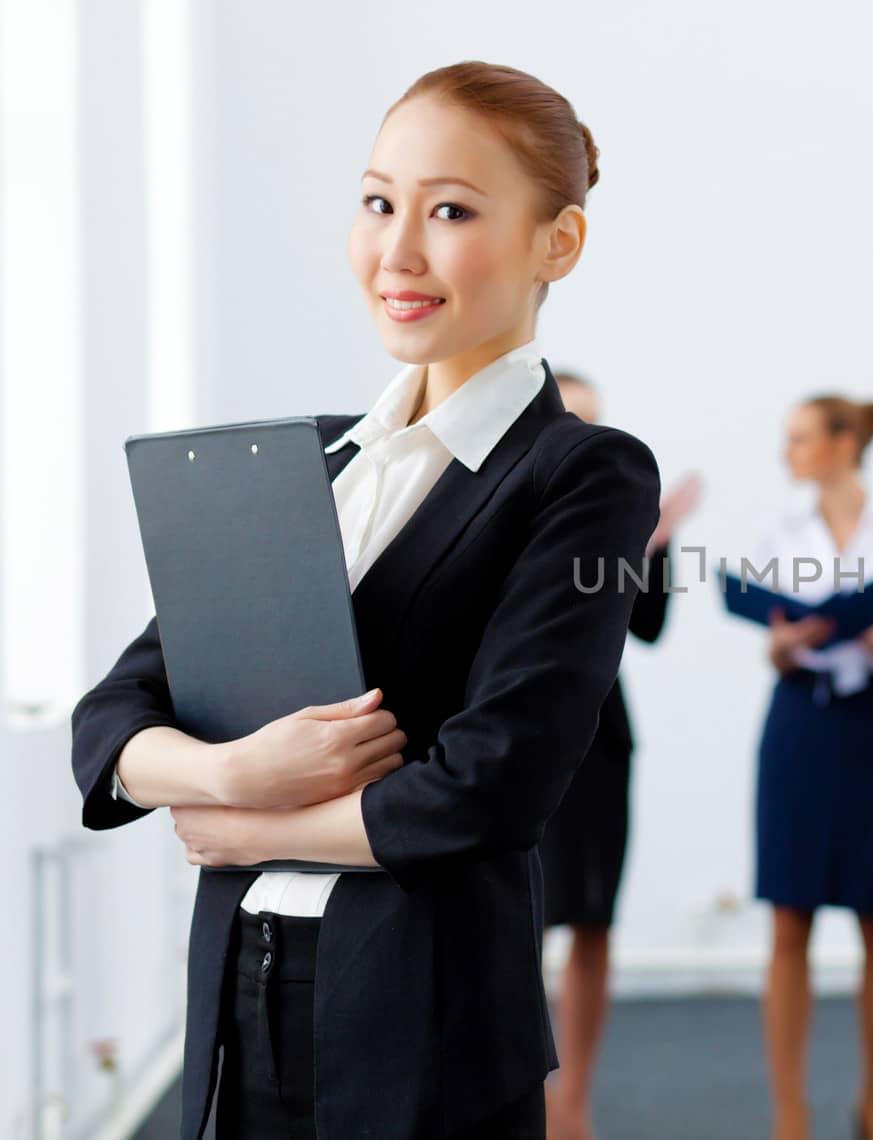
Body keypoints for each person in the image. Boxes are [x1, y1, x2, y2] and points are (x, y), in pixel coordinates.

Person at [69, 62, 660, 1140]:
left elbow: (495, 783)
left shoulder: (582, 473)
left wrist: (240, 825)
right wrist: (225, 772)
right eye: (379, 201)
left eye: (451, 211)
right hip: (244, 987)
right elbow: (112, 714)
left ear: (556, 243)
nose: (397, 251)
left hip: (424, 1014)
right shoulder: (313, 460)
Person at [753, 395, 873, 1140]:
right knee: (789, 920)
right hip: (799, 725)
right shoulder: (780, 531)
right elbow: (771, 643)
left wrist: (858, 632)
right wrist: (792, 640)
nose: (788, 453)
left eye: (799, 438)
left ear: (842, 443)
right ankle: (790, 1114)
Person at [542, 371, 700, 1140]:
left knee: (592, 921)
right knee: (511, 924)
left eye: (598, 420)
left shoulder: (618, 514)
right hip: (508, 740)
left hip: (599, 742)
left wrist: (655, 544)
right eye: (576, 418)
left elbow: (649, 626)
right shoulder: (500, 504)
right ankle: (520, 1101)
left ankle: (573, 1106)